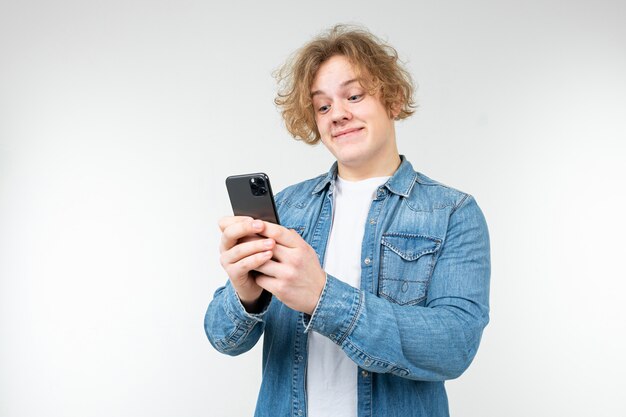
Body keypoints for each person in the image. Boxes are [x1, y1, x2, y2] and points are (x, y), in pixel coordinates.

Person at [205, 24, 490, 417]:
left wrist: (323, 297)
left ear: (393, 99)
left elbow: (454, 346)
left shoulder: (453, 212)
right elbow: (223, 339)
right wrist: (245, 294)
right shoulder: (287, 207)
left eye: (354, 95)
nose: (338, 114)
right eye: (322, 106)